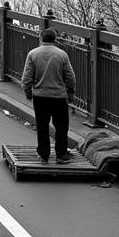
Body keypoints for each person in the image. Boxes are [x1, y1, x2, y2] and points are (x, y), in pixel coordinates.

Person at [21, 28, 76, 163]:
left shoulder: (33, 54)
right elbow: (70, 77)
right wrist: (70, 91)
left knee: (42, 125)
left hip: (40, 96)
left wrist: (28, 91)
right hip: (58, 96)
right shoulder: (62, 54)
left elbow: (27, 77)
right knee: (61, 126)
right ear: (55, 39)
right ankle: (61, 154)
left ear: (41, 39)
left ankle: (44, 154)